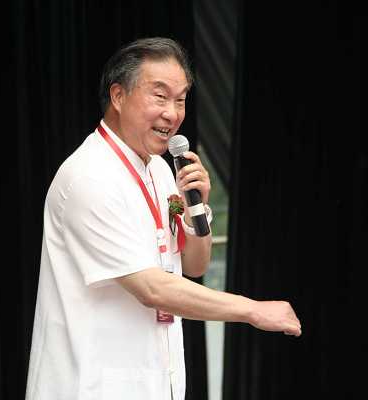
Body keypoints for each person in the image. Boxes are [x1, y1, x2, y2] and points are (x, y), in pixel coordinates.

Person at [25, 37, 301, 400]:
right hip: (90, 385)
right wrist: (252, 310)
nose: (172, 113)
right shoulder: (89, 176)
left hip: (155, 382)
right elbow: (152, 288)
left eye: (181, 99)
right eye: (160, 96)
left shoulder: (159, 168)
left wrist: (197, 207)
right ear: (118, 96)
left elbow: (194, 265)